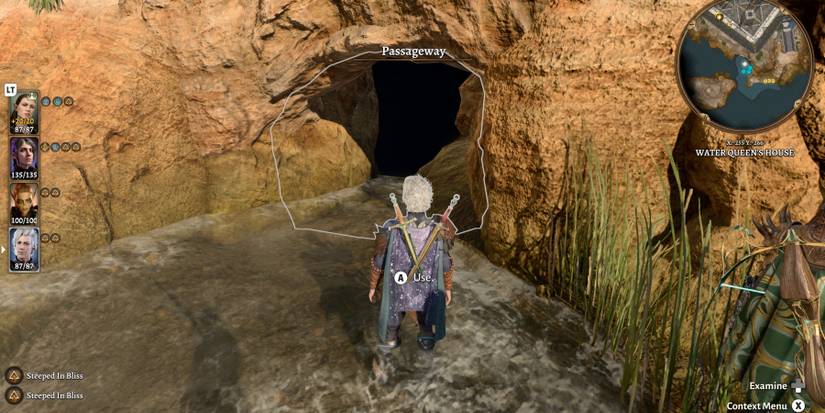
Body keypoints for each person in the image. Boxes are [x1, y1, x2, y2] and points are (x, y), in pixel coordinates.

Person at [369, 175, 456, 352]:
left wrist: (373, 285)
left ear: (405, 199)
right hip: (425, 287)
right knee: (426, 306)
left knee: (395, 303)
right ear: (429, 200)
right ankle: (425, 338)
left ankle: (391, 338)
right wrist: (447, 288)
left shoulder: (391, 227)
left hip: (399, 286)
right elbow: (445, 262)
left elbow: (380, 260)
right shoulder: (438, 229)